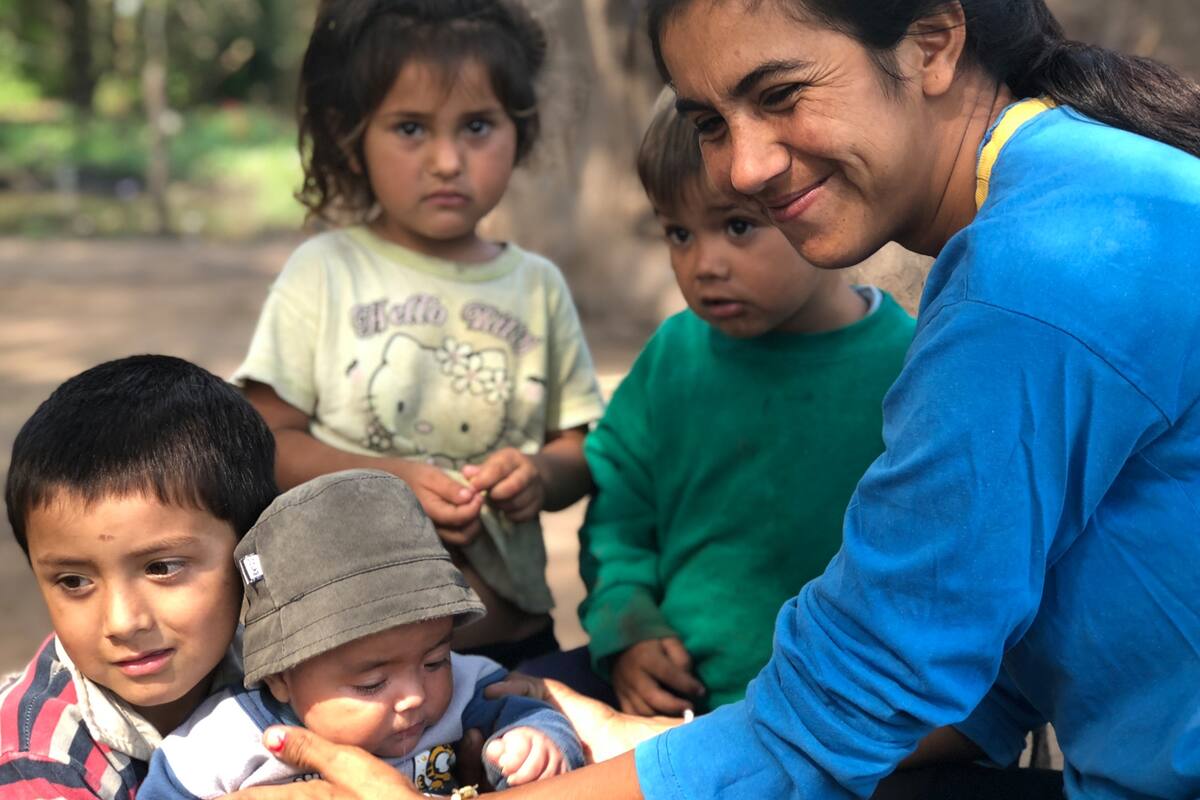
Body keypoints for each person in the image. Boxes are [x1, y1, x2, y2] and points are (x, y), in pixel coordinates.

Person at [224, 0, 1200, 798]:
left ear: (934, 43)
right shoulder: (1085, 194)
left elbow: (852, 704)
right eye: (709, 122)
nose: (744, 165)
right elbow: (972, 664)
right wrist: (661, 741)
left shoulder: (1042, 268)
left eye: (781, 94)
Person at [233, 0, 605, 668]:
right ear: (353, 137)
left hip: (512, 647)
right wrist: (386, 480)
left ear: (520, 131)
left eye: (477, 126)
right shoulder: (325, 272)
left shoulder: (538, 286)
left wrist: (539, 476)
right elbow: (265, 440)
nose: (446, 160)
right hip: (356, 664)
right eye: (410, 127)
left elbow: (579, 447)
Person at [570, 92, 914, 715]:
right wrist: (627, 628)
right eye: (678, 232)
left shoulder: (910, 367)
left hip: (852, 725)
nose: (704, 265)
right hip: (682, 710)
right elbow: (619, 514)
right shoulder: (673, 356)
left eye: (736, 226)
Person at [140, 470, 584, 797]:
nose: (414, 696)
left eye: (434, 661)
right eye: (372, 683)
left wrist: (539, 744)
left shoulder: (470, 689)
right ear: (280, 676)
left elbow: (531, 712)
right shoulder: (226, 741)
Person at [0, 355, 278, 799]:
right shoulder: (38, 760)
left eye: (162, 568)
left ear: (251, 549)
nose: (123, 622)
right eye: (73, 581)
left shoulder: (290, 669)